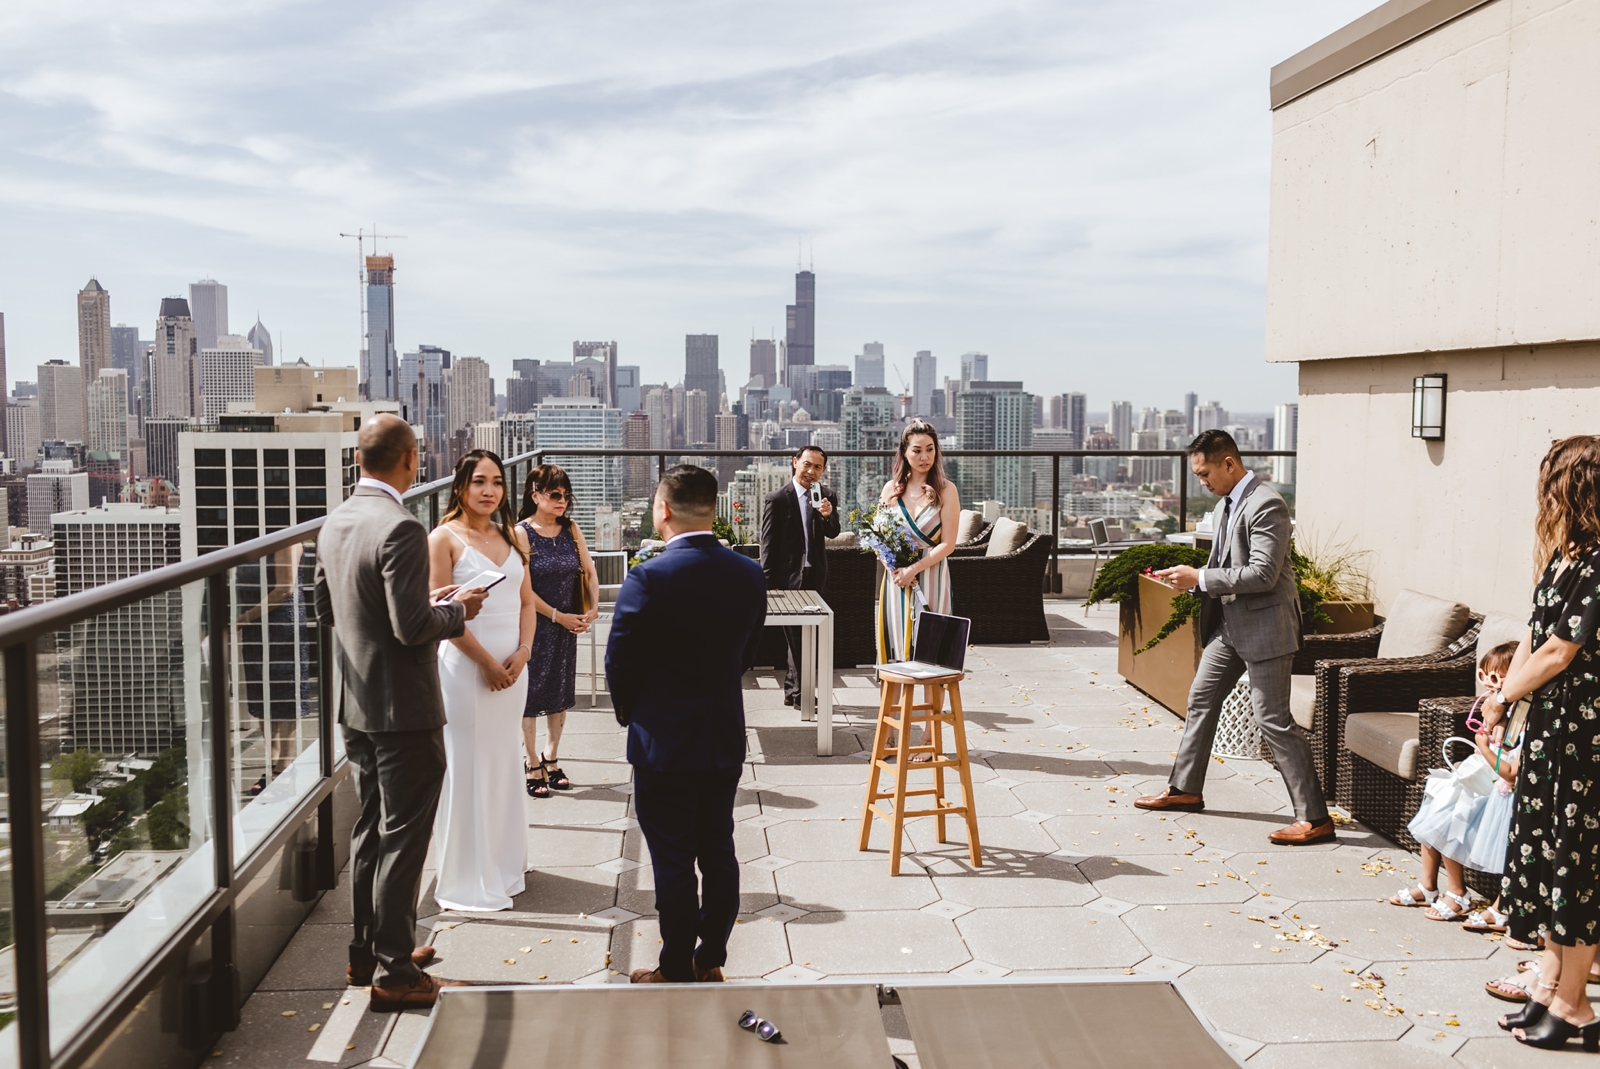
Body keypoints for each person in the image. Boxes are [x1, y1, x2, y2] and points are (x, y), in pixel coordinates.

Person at [312, 414, 483, 1011]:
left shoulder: (337, 520)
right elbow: (412, 628)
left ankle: (371, 951)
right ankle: (395, 974)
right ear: (411, 460)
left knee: (370, 831)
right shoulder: (403, 528)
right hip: (404, 710)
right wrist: (459, 610)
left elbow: (328, 608)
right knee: (406, 837)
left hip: (355, 704)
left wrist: (421, 601)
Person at [605, 465, 766, 984]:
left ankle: (675, 964)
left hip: (663, 742)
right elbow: (749, 646)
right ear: (713, 510)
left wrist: (636, 714)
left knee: (671, 858)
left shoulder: (647, 576)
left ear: (664, 510)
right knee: (718, 848)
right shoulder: (747, 572)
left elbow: (618, 662)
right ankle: (711, 957)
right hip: (722, 734)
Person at [1134, 429, 1333, 846]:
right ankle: (1185, 789)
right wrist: (1192, 581)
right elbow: (1226, 563)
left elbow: (1262, 573)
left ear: (1229, 463)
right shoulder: (1228, 503)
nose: (1201, 482)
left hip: (1265, 628)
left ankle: (1314, 817)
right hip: (1228, 627)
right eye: (1197, 475)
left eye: (1205, 473)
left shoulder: (1267, 504)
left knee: (1273, 721)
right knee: (1200, 701)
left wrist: (1201, 578)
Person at [1481, 435, 1600, 1050]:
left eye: (1550, 479)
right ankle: (1550, 988)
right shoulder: (1563, 556)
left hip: (1586, 737)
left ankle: (1575, 1005)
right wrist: (1506, 707)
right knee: (1550, 860)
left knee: (1575, 866)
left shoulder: (1598, 559)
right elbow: (1532, 639)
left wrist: (1504, 699)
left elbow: (1561, 651)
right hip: (1555, 731)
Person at [427, 450, 538, 911]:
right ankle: (469, 873)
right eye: (479, 482)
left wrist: (522, 654)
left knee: (502, 761)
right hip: (465, 670)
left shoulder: (514, 535)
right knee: (469, 762)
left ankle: (503, 861)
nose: (489, 490)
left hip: (515, 667)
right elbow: (438, 611)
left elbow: (527, 602)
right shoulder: (442, 538)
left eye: (496, 482)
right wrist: (487, 665)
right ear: (460, 487)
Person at [1390, 641, 1521, 921]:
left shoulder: (1523, 715)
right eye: (1485, 676)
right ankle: (1428, 885)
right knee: (1436, 798)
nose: (1490, 684)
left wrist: (1486, 746)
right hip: (1483, 777)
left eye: (1497, 678)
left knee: (1449, 814)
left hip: (1500, 789)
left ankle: (1458, 893)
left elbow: (1509, 767)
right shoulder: (1499, 709)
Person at [516, 464, 599, 797]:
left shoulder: (571, 528)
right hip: (534, 625)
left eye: (566, 495)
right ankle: (531, 760)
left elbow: (589, 571)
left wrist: (592, 609)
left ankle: (551, 756)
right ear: (535, 495)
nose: (562, 500)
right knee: (531, 694)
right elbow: (522, 590)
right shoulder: (521, 532)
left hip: (567, 627)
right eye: (554, 494)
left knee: (560, 691)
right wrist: (557, 616)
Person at [760, 445, 840, 708]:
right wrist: (768, 584)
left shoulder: (826, 496)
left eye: (817, 467)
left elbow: (833, 532)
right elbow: (767, 545)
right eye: (807, 464)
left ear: (823, 470)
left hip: (815, 576)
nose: (811, 471)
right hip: (786, 581)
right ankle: (804, 695)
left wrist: (827, 516)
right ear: (795, 462)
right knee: (796, 637)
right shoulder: (777, 499)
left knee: (808, 635)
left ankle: (792, 692)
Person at [876, 419, 959, 663]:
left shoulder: (946, 490)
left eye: (930, 449)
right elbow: (878, 540)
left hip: (933, 577)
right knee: (895, 650)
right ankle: (897, 702)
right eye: (917, 450)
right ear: (904, 452)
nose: (925, 456)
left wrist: (913, 569)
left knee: (933, 654)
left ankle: (935, 703)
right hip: (896, 581)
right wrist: (894, 570)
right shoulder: (890, 489)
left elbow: (949, 544)